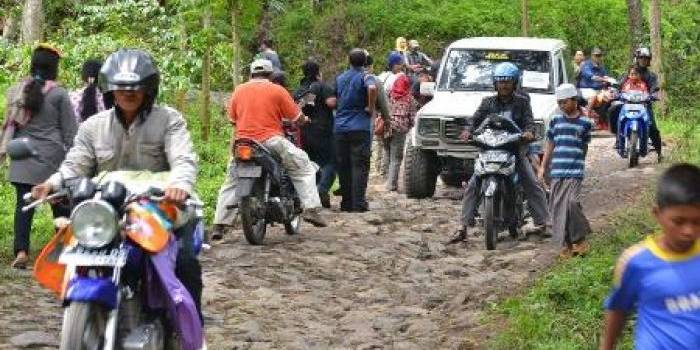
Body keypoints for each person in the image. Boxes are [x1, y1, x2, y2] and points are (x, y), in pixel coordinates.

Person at [30, 49, 203, 318]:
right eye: (121, 88)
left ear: (148, 89)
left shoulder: (169, 119)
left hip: (160, 208)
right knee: (74, 254)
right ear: (110, 90)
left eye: (135, 88)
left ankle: (191, 330)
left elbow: (183, 158)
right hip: (108, 211)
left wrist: (179, 184)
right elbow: (76, 164)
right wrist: (52, 184)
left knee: (185, 262)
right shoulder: (92, 126)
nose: (128, 93)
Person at [218, 59, 327, 228]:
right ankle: (311, 208)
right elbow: (297, 118)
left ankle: (220, 222)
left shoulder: (238, 91)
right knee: (303, 164)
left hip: (243, 143)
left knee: (231, 179)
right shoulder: (277, 90)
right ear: (270, 75)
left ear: (251, 74)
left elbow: (232, 120)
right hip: (270, 141)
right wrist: (305, 120)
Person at [601, 163, 700, 350]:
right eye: (678, 221)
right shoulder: (636, 262)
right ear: (657, 214)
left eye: (697, 221)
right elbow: (618, 310)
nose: (689, 231)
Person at [448, 62, 549, 243]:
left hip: (514, 149)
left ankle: (543, 222)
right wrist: (468, 130)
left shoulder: (522, 102)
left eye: (508, 82)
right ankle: (462, 226)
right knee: (473, 184)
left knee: (531, 182)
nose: (504, 85)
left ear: (515, 83)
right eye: (500, 82)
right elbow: (474, 119)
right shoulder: (487, 103)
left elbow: (529, 122)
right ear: (495, 84)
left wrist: (528, 133)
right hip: (489, 149)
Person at [1, 44, 78, 269]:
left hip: (21, 155)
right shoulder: (59, 94)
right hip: (51, 160)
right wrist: (74, 162)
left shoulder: (18, 90)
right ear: (54, 67)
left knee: (23, 207)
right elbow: (70, 132)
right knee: (61, 206)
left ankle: (22, 251)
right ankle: (64, 251)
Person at [538, 84, 592, 258]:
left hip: (575, 171)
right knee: (559, 208)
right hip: (557, 170)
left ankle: (580, 238)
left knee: (572, 204)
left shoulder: (585, 122)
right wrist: (543, 167)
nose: (562, 106)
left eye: (565, 102)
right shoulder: (555, 120)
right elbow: (550, 144)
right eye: (559, 103)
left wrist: (581, 162)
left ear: (575, 101)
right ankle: (567, 244)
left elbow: (584, 146)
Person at [334, 49, 378, 212]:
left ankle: (346, 202)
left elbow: (334, 100)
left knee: (343, 165)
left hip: (340, 126)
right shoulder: (366, 76)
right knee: (359, 165)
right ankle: (358, 203)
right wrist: (370, 107)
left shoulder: (340, 78)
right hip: (360, 126)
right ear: (365, 62)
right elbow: (372, 89)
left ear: (349, 61)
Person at [295, 60, 337, 208]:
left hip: (304, 132)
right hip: (323, 131)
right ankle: (322, 189)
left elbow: (296, 109)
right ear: (318, 73)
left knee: (310, 164)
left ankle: (313, 194)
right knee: (331, 162)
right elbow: (332, 103)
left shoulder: (299, 90)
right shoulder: (322, 86)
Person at [618, 47, 663, 160]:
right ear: (637, 59)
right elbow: (620, 84)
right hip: (628, 103)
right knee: (617, 115)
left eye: (646, 58)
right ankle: (619, 142)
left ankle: (659, 152)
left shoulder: (651, 75)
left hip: (644, 104)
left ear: (649, 60)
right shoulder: (631, 71)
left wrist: (653, 94)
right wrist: (615, 90)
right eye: (641, 58)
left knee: (652, 127)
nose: (643, 60)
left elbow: (654, 87)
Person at [382, 61, 417, 192]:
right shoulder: (409, 99)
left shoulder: (391, 96)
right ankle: (391, 185)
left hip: (387, 126)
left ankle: (386, 179)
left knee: (388, 152)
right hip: (399, 129)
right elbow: (413, 118)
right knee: (396, 157)